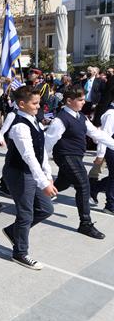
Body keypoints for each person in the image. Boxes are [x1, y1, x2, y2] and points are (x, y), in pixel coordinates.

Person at [44, 86, 114, 239]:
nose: (84, 102)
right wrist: (45, 170)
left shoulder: (81, 117)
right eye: (80, 99)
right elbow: (47, 145)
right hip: (65, 156)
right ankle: (85, 224)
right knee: (83, 185)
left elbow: (96, 133)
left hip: (76, 156)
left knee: (63, 183)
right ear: (69, 101)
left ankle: (38, 196)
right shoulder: (60, 120)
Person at [2, 86, 57, 270]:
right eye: (34, 103)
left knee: (46, 208)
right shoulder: (19, 126)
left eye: (38, 102)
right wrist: (43, 182)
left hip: (33, 172)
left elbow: (41, 153)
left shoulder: (34, 121)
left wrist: (47, 176)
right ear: (21, 104)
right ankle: (20, 253)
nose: (38, 106)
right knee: (25, 213)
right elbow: (29, 157)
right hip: (19, 173)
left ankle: (14, 231)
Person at [92, 92, 114, 215]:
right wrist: (100, 155)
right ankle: (110, 205)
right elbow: (104, 136)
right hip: (111, 149)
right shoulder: (111, 114)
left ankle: (95, 188)